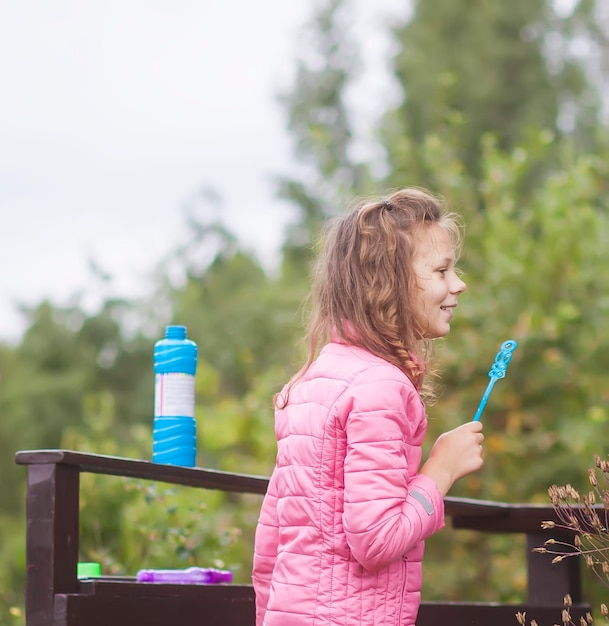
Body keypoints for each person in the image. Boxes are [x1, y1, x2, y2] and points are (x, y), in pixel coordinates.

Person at [252, 187, 484, 626]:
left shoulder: (312, 381)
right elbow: (376, 540)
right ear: (388, 284)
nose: (458, 284)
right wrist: (442, 469)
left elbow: (271, 544)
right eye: (441, 270)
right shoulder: (379, 388)